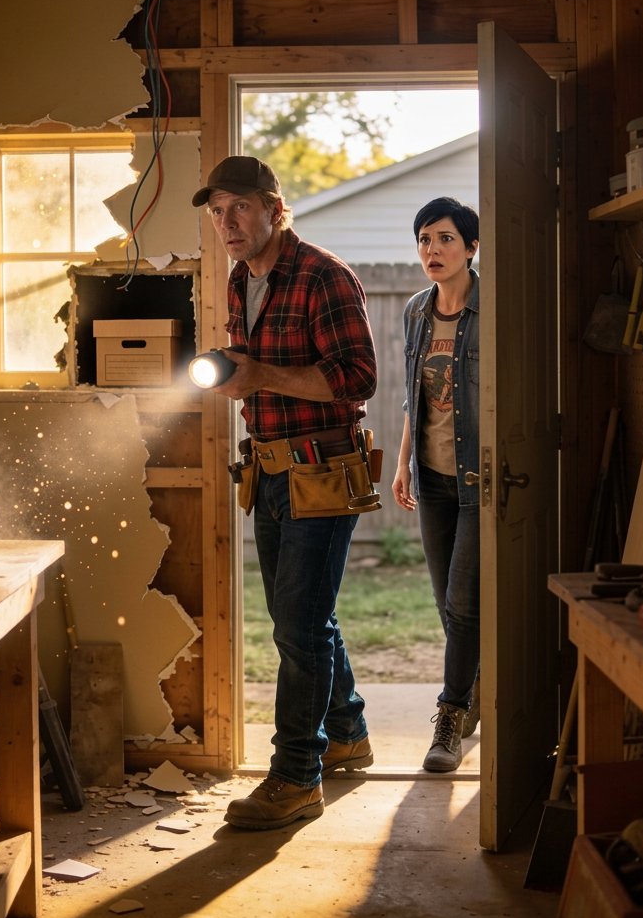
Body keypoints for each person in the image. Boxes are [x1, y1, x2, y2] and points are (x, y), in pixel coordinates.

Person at [191, 155, 378, 830]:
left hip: (322, 468)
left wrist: (263, 372)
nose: (226, 222)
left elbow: (358, 378)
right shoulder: (242, 278)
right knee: (300, 620)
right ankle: (349, 734)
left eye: (238, 207)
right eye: (216, 211)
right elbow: (254, 373)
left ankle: (297, 776)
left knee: (299, 627)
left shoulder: (324, 275)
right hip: (268, 470)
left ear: (274, 207)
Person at [392, 196, 480, 772]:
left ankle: (451, 716)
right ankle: (473, 697)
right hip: (432, 476)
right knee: (446, 604)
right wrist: (402, 465)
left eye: (446, 238)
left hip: (480, 479)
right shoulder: (417, 312)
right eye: (425, 239)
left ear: (471, 247)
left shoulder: (491, 308)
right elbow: (413, 398)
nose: (433, 250)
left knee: (464, 602)